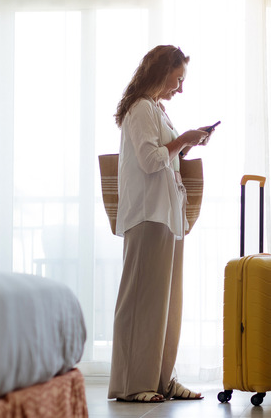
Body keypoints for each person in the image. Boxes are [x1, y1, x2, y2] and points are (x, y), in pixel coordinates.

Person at [108, 45, 212, 403]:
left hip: (167, 215)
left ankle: (162, 379)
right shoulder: (140, 109)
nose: (180, 88)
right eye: (178, 78)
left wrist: (185, 144)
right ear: (161, 71)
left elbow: (164, 156)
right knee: (141, 301)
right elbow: (151, 161)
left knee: (168, 304)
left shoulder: (158, 111)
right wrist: (182, 140)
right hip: (148, 215)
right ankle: (133, 383)